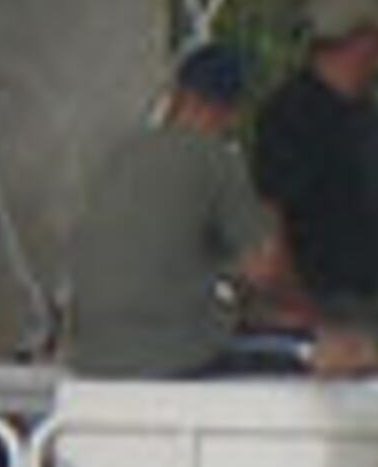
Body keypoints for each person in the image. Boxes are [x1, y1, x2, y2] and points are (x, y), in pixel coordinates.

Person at [63, 43, 282, 378]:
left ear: (176, 95)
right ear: (231, 111)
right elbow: (263, 270)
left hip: (89, 357)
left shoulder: (120, 155)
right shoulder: (215, 159)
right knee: (285, 366)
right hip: (172, 358)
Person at [250, 0, 378, 373]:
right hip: (321, 307)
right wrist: (297, 307)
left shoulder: (370, 118)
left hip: (370, 307)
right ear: (359, 39)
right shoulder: (292, 115)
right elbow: (269, 217)